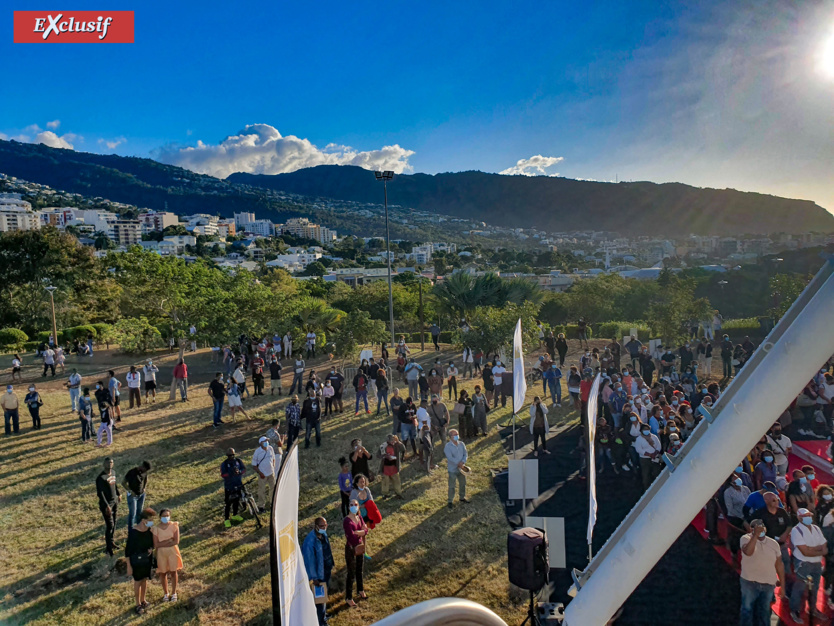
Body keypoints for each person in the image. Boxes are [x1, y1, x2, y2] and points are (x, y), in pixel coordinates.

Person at [740, 518, 786, 626]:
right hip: (750, 583)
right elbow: (748, 552)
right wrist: (755, 536)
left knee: (764, 611)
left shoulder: (773, 543)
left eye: (762, 526)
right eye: (756, 527)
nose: (760, 529)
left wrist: (783, 586)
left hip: (768, 584)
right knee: (747, 610)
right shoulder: (745, 539)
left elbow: (779, 564)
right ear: (751, 529)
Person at [790, 507, 827, 622]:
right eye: (805, 516)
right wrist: (818, 550)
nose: (808, 517)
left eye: (809, 515)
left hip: (816, 564)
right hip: (804, 564)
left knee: (815, 588)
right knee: (799, 588)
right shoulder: (796, 530)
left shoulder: (816, 528)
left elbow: (824, 546)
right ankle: (794, 610)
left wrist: (811, 549)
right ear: (799, 518)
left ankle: (812, 609)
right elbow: (804, 552)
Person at [303, 517, 334, 625]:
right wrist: (314, 577)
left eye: (325, 525)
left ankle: (323, 615)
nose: (324, 528)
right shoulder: (310, 541)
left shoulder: (323, 534)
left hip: (326, 569)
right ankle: (321, 621)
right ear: (316, 526)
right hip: (320, 574)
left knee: (324, 595)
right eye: (321, 526)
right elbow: (310, 561)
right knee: (320, 599)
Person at [125, 508, 156, 615]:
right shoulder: (134, 532)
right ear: (143, 520)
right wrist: (129, 565)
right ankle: (137, 604)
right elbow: (128, 551)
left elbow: (152, 544)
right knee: (138, 581)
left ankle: (143, 600)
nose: (152, 522)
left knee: (144, 580)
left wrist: (151, 548)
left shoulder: (149, 530)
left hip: (147, 560)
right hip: (136, 561)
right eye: (150, 520)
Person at [152, 508, 183, 603]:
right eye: (164, 516)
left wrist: (163, 543)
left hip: (173, 552)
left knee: (173, 572)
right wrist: (169, 541)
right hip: (161, 553)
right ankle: (166, 593)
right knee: (163, 573)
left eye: (167, 516)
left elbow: (176, 541)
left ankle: (174, 593)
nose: (166, 517)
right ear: (160, 517)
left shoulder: (174, 526)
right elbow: (156, 544)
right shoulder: (156, 529)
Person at [343, 499, 368, 608]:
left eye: (356, 505)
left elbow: (366, 530)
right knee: (351, 573)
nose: (354, 506)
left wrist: (361, 532)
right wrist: (362, 532)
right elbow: (351, 537)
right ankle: (348, 597)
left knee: (359, 570)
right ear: (349, 507)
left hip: (359, 547)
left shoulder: (359, 517)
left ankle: (360, 590)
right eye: (351, 504)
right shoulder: (347, 521)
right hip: (351, 549)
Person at [96, 457, 121, 556]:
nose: (109, 464)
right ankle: (108, 548)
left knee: (114, 523)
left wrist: (118, 494)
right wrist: (107, 506)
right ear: (104, 464)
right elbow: (100, 493)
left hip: (114, 502)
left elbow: (115, 485)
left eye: (111, 462)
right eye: (107, 463)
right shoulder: (101, 478)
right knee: (110, 525)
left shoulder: (113, 473)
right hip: (107, 505)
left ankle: (112, 542)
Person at [724, 474, 751, 556]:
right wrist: (742, 517)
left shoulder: (745, 489)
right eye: (735, 480)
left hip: (747, 514)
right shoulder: (728, 492)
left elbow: (751, 501)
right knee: (738, 532)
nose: (738, 480)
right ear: (731, 483)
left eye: (738, 478)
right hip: (735, 516)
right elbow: (730, 509)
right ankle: (734, 551)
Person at [221, 448, 246, 527]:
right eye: (229, 455)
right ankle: (226, 519)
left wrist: (239, 472)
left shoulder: (238, 461)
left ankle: (235, 514)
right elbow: (223, 474)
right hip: (229, 486)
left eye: (232, 455)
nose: (231, 457)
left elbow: (244, 469)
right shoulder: (224, 464)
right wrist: (230, 473)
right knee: (228, 503)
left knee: (237, 500)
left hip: (238, 484)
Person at [123, 461, 152, 530]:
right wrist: (130, 491)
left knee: (139, 513)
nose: (145, 471)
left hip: (141, 495)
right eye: (145, 469)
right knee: (132, 514)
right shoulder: (132, 472)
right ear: (142, 466)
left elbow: (146, 479)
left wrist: (144, 487)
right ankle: (131, 530)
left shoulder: (144, 472)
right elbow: (123, 483)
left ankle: (139, 528)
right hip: (132, 496)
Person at [444, 429, 469, 509]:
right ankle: (450, 501)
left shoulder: (461, 444)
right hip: (452, 469)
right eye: (454, 435)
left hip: (461, 468)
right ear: (450, 437)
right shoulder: (447, 446)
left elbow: (465, 454)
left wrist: (463, 462)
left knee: (463, 483)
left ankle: (462, 497)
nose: (456, 436)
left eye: (457, 434)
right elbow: (450, 458)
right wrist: (458, 463)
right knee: (452, 486)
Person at [634, 422, 661, 491]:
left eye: (647, 429)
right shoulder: (639, 439)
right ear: (641, 430)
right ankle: (647, 490)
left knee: (657, 473)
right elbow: (638, 449)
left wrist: (655, 453)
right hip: (645, 460)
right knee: (646, 475)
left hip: (655, 458)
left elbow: (658, 446)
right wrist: (648, 454)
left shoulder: (654, 437)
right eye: (645, 429)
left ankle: (659, 488)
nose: (646, 431)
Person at [252, 436, 277, 511]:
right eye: (265, 441)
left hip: (271, 473)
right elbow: (254, 465)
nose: (267, 442)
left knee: (273, 488)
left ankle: (272, 502)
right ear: (261, 443)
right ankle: (261, 506)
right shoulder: (257, 452)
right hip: (262, 474)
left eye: (267, 441)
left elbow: (273, 458)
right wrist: (260, 473)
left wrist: (273, 467)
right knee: (261, 490)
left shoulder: (270, 448)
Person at [379, 434, 405, 499]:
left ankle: (398, 493)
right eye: (391, 440)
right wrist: (384, 456)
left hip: (394, 466)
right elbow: (378, 455)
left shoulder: (397, 445)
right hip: (386, 467)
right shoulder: (383, 446)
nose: (393, 442)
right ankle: (385, 494)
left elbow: (403, 449)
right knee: (385, 481)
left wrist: (398, 442)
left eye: (394, 440)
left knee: (396, 481)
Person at [94, 381, 114, 446]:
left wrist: (110, 403)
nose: (97, 386)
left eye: (98, 385)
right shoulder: (97, 392)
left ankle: (109, 441)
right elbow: (98, 399)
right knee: (103, 416)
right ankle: (99, 442)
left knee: (108, 416)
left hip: (107, 406)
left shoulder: (106, 390)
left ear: (101, 385)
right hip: (101, 406)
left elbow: (109, 397)